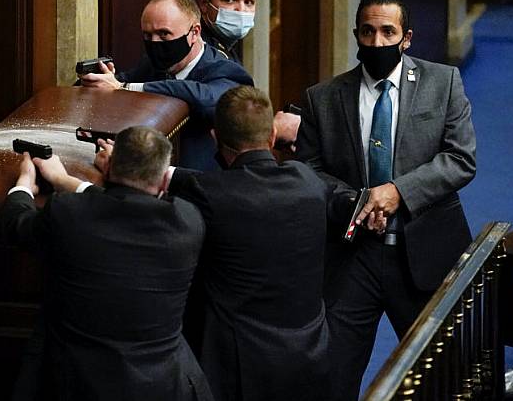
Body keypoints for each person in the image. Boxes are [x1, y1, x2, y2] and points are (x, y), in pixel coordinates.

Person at [97, 86, 340, 400]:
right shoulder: (307, 181)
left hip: (240, 371)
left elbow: (182, 183)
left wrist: (122, 163)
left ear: (215, 138)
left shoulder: (209, 193)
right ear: (272, 136)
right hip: (309, 358)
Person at [295, 0, 477, 400]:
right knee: (332, 376)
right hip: (352, 257)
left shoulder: (443, 83)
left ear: (406, 37)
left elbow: (460, 159)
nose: (377, 43)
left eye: (387, 32)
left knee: (444, 375)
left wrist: (398, 192)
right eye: (368, 32)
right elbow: (308, 171)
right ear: (357, 35)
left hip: (424, 252)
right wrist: (356, 201)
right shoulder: (322, 98)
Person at [0, 126, 213, 400]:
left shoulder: (68, 214)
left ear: (108, 167)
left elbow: (17, 225)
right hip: (166, 383)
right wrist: (65, 180)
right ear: (162, 183)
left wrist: (24, 186)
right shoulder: (187, 221)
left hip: (78, 381)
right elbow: (127, 208)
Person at [80, 0, 253, 171]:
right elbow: (115, 83)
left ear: (194, 32)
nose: (155, 43)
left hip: (201, 186)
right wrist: (99, 79)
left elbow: (205, 99)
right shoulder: (152, 64)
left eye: (163, 34)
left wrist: (124, 87)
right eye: (148, 35)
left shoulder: (228, 71)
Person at [197, 0, 301, 148]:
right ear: (204, 5)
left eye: (249, 2)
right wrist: (272, 128)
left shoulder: (226, 49)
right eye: (230, 0)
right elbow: (222, 112)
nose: (241, 10)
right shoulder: (198, 51)